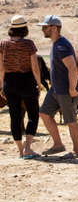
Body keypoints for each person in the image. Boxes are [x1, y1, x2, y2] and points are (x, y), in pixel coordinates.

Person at [38, 15, 78, 158]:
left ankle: (77, 151)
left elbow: (73, 68)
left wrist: (72, 88)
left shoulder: (62, 46)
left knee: (71, 120)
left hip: (65, 91)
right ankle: (58, 145)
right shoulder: (56, 44)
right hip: (55, 90)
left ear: (54, 28)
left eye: (45, 27)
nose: (43, 30)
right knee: (44, 113)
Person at [0, 15, 42, 159]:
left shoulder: (3, 44)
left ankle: (20, 150)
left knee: (14, 116)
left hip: (9, 82)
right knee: (33, 114)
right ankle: (28, 148)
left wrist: (1, 86)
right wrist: (39, 84)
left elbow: (1, 68)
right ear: (25, 29)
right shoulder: (29, 44)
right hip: (27, 81)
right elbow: (35, 67)